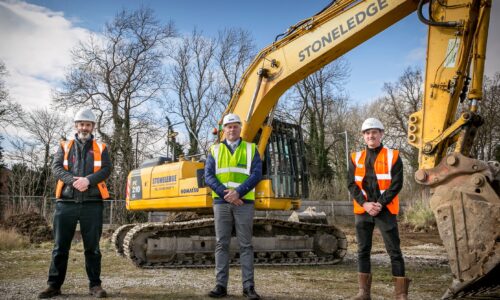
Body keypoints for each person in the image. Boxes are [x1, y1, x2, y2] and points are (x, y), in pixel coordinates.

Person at [38, 108, 112, 299]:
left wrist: (88, 180)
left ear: (93, 126)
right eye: (81, 124)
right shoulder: (64, 146)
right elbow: (55, 167)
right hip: (66, 202)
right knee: (60, 246)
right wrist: (73, 181)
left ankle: (95, 286)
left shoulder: (101, 148)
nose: (84, 127)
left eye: (88, 124)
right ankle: (53, 285)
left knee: (93, 248)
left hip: (92, 203)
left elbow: (106, 169)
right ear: (76, 126)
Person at [348, 118, 410, 300]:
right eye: (367, 133)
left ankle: (401, 295)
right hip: (363, 210)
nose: (371, 135)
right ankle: (363, 293)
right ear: (363, 136)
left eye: (374, 132)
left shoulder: (394, 156)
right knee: (362, 251)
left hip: (385, 210)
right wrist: (365, 204)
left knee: (394, 252)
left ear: (382, 134)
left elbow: (397, 184)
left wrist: (380, 204)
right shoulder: (355, 157)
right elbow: (351, 184)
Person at [204, 113, 262, 299]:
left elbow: (256, 174)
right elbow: (209, 176)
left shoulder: (251, 149)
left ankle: (248, 288)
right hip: (222, 202)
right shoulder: (214, 150)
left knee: (246, 245)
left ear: (240, 128)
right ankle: (220, 286)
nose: (232, 129)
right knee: (222, 243)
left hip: (243, 201)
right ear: (223, 131)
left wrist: (238, 192)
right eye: (228, 127)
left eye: (235, 126)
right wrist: (227, 194)